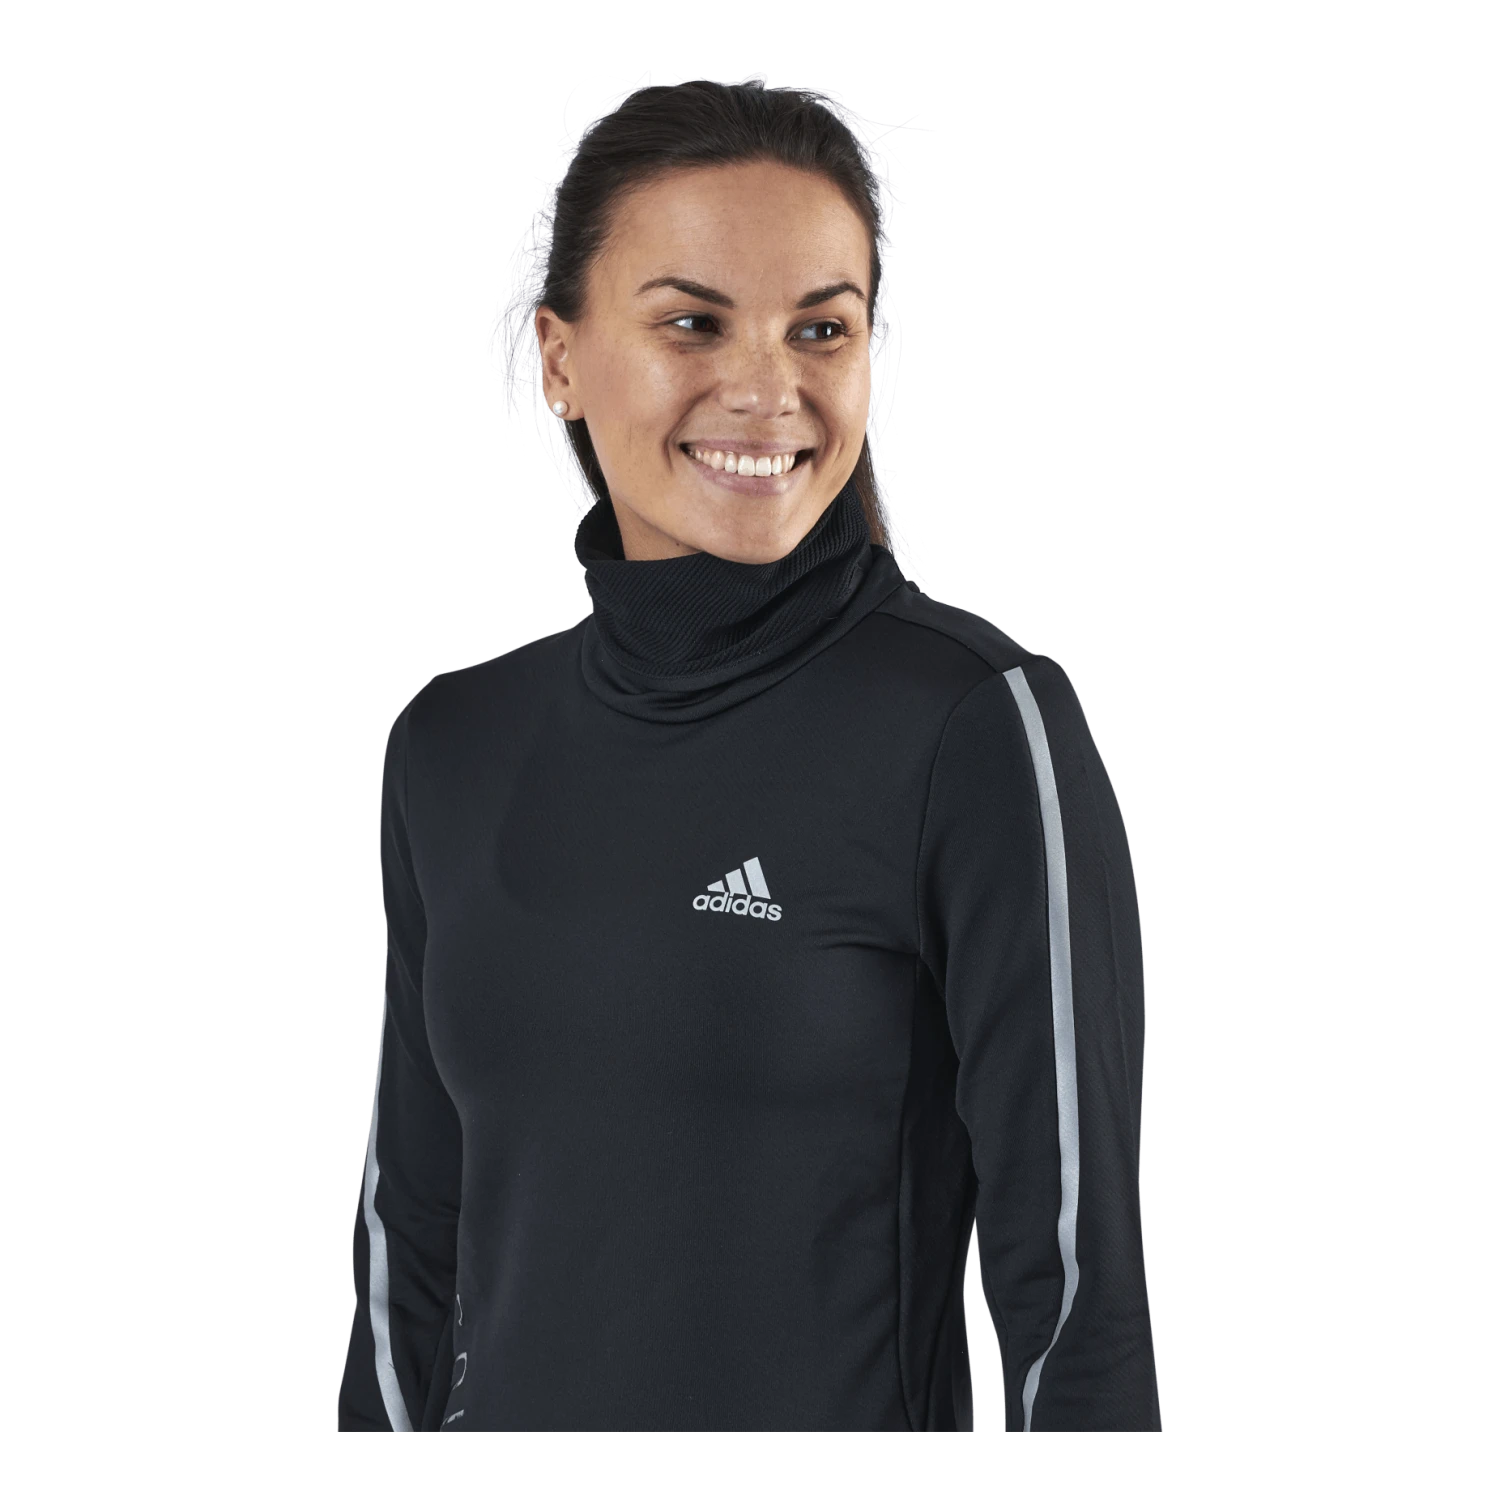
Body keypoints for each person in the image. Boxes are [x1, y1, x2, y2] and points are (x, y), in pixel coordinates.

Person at [341, 79, 1158, 1432]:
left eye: (820, 329)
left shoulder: (973, 723)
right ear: (559, 358)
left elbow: (1073, 1293)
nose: (769, 389)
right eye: (693, 322)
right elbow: (404, 1242)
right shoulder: (454, 743)